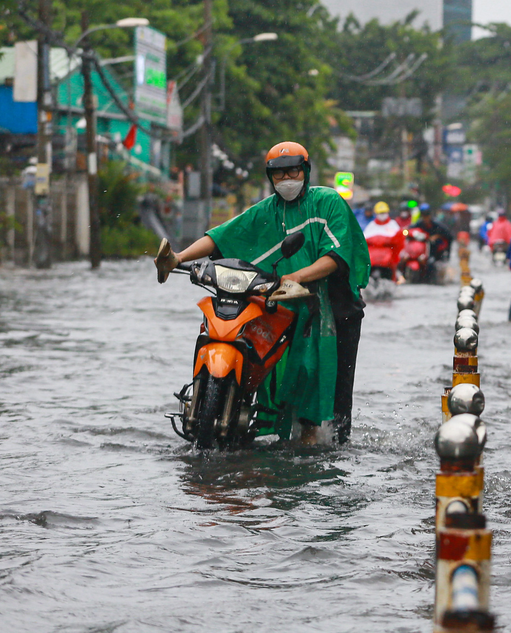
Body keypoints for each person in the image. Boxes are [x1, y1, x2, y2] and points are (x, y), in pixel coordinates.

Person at [155, 141, 369, 444]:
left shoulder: (327, 202)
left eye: (292, 171)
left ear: (305, 170)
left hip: (334, 308)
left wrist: (296, 276)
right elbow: (222, 236)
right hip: (285, 302)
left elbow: (336, 255)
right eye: (278, 174)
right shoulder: (268, 210)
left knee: (332, 387)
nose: (286, 179)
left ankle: (328, 444)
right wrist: (178, 258)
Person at [363, 201, 405, 279]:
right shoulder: (372, 225)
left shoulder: (392, 224)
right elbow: (365, 238)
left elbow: (399, 240)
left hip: (389, 256)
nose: (382, 215)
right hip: (373, 257)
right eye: (380, 213)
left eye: (384, 212)